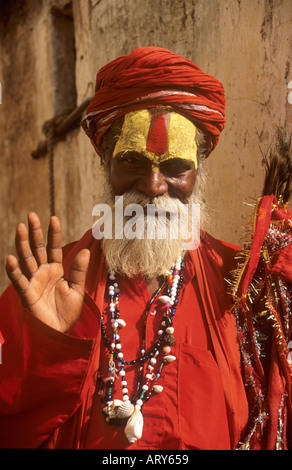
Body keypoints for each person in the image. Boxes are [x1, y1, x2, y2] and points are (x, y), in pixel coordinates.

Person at [0, 46, 291, 450]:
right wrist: (49, 351)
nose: (154, 187)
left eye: (175, 167)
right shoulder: (48, 288)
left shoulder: (241, 287)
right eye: (133, 162)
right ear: (105, 159)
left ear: (199, 167)